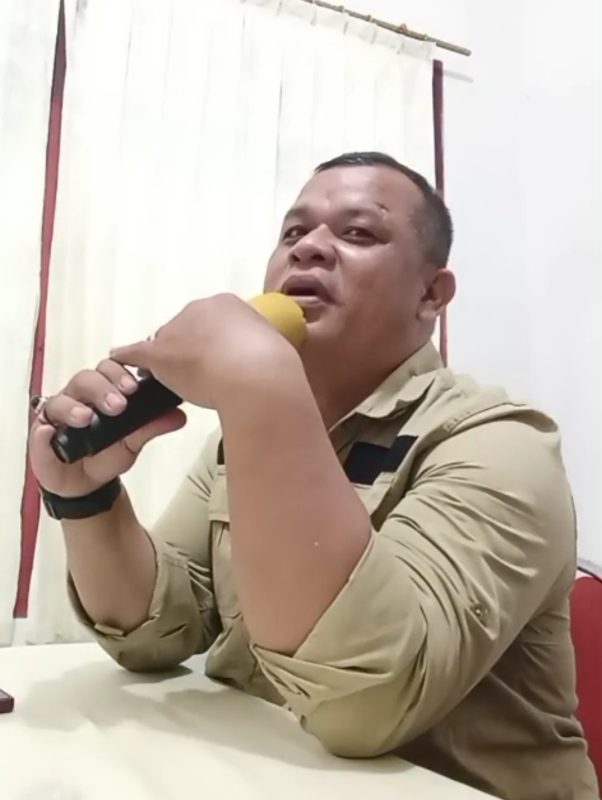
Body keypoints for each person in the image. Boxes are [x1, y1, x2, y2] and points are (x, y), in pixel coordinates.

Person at [29, 152, 598, 800]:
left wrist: (257, 378)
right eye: (293, 232)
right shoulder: (248, 435)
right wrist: (89, 500)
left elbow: (368, 703)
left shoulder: (501, 444)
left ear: (430, 295)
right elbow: (159, 630)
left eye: (358, 233)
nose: (309, 249)